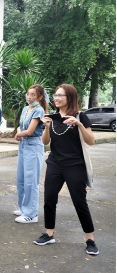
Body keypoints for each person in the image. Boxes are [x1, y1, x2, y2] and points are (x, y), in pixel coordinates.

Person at [34, 84, 99, 255]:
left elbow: (91, 141)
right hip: (55, 164)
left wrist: (79, 125)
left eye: (60, 95)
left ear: (69, 97)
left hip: (74, 165)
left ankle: (90, 239)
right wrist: (46, 127)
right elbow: (45, 142)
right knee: (49, 199)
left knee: (79, 202)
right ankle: (49, 234)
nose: (56, 98)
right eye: (55, 95)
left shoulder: (80, 116)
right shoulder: (51, 118)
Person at [13, 84, 48, 223]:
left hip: (33, 145)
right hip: (24, 145)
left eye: (33, 95)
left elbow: (30, 131)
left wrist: (18, 134)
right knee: (21, 179)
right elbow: (20, 126)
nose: (29, 97)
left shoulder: (39, 110)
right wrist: (19, 133)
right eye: (28, 94)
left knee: (31, 181)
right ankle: (23, 208)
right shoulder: (26, 108)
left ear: (39, 97)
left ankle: (31, 214)